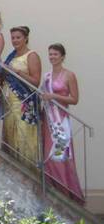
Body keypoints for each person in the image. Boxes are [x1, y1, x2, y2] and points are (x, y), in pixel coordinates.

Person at [40, 44, 84, 203]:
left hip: (61, 121)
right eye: (50, 54)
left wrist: (54, 97)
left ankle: (67, 193)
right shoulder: (46, 76)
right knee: (49, 156)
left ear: (62, 56)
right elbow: (43, 95)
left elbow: (74, 99)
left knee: (61, 156)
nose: (52, 57)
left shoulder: (69, 75)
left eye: (55, 54)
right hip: (49, 119)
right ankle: (52, 191)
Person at [2, 26, 42, 166]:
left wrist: (18, 73)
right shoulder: (11, 56)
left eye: (18, 37)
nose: (15, 40)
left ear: (25, 38)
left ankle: (28, 171)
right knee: (10, 135)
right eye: (13, 38)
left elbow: (36, 82)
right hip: (9, 104)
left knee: (23, 137)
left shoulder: (31, 55)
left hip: (23, 104)